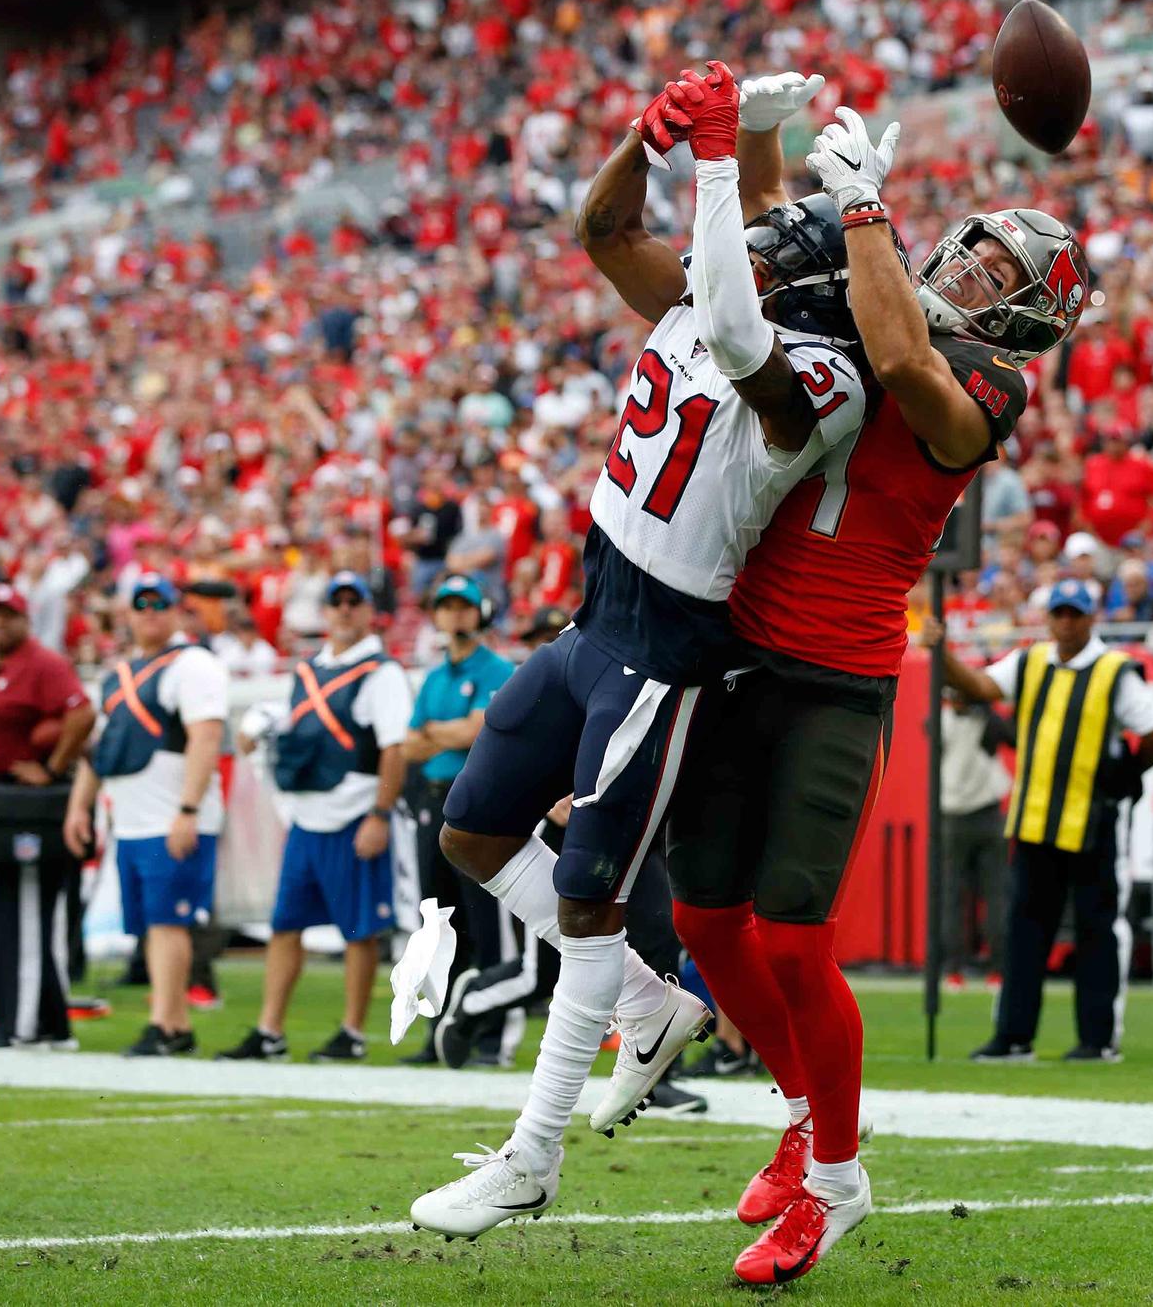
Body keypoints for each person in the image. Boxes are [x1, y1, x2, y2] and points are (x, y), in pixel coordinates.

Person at [412, 64, 865, 1242]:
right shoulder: (710, 295)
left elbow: (729, 315)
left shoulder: (820, 377)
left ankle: (532, 1157)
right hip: (591, 619)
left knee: (585, 905)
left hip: (664, 652)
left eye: (774, 248)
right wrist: (647, 136)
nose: (750, 247)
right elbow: (601, 226)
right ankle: (653, 1009)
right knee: (467, 830)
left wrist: (718, 160)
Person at [662, 100, 1086, 1282]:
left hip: (840, 673)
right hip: (742, 643)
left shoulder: (989, 374)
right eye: (981, 244)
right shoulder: (867, 284)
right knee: (703, 920)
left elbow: (903, 360)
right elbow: (741, 253)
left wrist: (860, 209)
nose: (977, 267)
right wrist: (759, 135)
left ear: (1027, 312)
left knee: (796, 942)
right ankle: (801, 1117)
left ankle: (838, 1178)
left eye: (1008, 269)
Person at [934, 579, 1153, 1064]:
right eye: (1058, 613)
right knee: (1025, 933)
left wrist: (1123, 773)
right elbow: (979, 687)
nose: (1065, 622)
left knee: (1095, 931)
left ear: (1091, 618)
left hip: (1093, 822)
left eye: (1074, 614)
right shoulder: (1031, 660)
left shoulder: (1113, 671)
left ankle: (1098, 1039)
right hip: (1035, 820)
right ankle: (1013, 1036)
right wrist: (942, 653)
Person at [222, 571, 410, 1063]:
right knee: (285, 924)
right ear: (325, 611)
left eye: (354, 601)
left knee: (358, 929)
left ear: (369, 610)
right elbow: (297, 727)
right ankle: (270, 1030)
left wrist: (379, 814)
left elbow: (394, 750)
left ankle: (351, 1031)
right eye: (336, 601)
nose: (345, 609)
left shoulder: (381, 672)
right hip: (306, 816)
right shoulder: (307, 671)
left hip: (353, 813)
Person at [64, 576, 228, 1057]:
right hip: (133, 818)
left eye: (160, 604)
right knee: (152, 925)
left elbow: (205, 737)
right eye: (141, 605)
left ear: (177, 611)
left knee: (168, 922)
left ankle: (168, 1023)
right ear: (128, 614)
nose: (150, 612)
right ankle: (171, 1021)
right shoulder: (116, 675)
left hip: (170, 815)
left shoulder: (193, 664)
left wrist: (188, 810)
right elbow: (100, 749)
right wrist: (80, 804)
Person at [0, 584, 96, 1050]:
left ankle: (22, 1025)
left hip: (28, 806)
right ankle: (20, 1016)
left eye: (7, 616)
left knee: (25, 915)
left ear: (25, 620)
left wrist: (53, 767)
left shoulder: (43, 664)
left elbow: (81, 713)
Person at [398, 574, 515, 1065]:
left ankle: (490, 1035)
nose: (455, 616)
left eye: (463, 607)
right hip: (436, 800)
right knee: (436, 924)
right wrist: (451, 732)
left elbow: (478, 730)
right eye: (446, 607)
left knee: (487, 925)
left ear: (479, 613)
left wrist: (438, 732)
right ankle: (437, 1033)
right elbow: (410, 744)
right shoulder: (435, 676)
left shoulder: (497, 669)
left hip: (476, 806)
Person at [937, 690, 1013, 987]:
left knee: (953, 897)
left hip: (954, 817)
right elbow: (1013, 736)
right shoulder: (988, 723)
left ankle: (954, 970)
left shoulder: (941, 721)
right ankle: (996, 970)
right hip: (987, 815)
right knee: (994, 894)